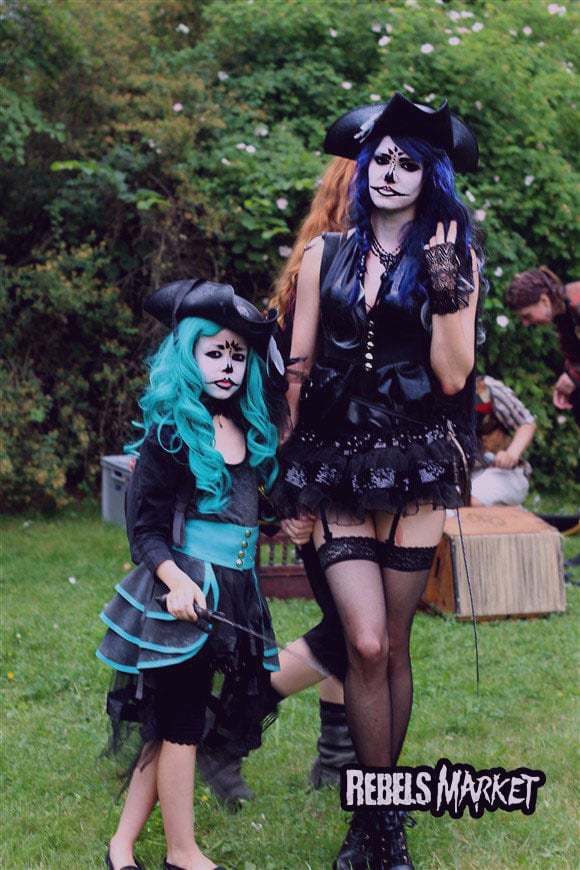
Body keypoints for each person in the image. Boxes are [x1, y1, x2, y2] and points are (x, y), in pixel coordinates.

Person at [271, 91, 482, 870]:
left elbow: (453, 376)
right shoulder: (325, 254)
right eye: (380, 159)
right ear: (364, 170)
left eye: (408, 163)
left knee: (392, 646)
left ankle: (378, 824)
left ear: (431, 178)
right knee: (362, 640)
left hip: (416, 463)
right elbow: (297, 372)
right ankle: (378, 815)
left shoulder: (452, 258)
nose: (390, 172)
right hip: (335, 463)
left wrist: (446, 282)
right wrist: (286, 479)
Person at [96, 279, 293, 870]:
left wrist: (284, 519)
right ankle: (182, 853)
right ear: (188, 356)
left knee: (172, 724)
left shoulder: (250, 429)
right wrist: (176, 581)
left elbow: (255, 510)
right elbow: (145, 530)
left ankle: (120, 847)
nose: (228, 367)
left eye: (238, 355)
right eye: (215, 353)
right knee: (182, 723)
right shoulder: (172, 432)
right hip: (182, 596)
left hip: (234, 594)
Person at [196, 157, 359, 806]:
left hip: (353, 478)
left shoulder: (358, 278)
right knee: (348, 630)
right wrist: (298, 493)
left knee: (348, 623)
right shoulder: (321, 284)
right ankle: (222, 731)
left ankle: (337, 760)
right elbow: (290, 401)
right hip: (319, 480)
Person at [505, 266, 580, 424]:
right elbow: (574, 357)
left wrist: (575, 376)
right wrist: (568, 381)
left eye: (527, 316)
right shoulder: (564, 316)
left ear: (544, 300)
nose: (525, 324)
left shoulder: (577, 303)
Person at [471, 374, 536, 507]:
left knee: (472, 501)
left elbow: (527, 423)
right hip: (462, 476)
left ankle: (511, 514)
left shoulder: (488, 388)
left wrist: (511, 454)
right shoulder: (432, 393)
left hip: (502, 472)